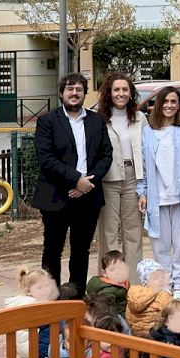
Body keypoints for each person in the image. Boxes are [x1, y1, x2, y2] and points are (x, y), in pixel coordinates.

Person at [32, 72, 113, 292]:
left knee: (81, 250)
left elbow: (106, 156)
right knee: (52, 250)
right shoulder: (47, 121)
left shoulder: (97, 121)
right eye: (70, 89)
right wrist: (76, 180)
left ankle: (76, 296)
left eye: (79, 89)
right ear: (62, 93)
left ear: (85, 94)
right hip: (56, 196)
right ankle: (50, 297)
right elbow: (46, 159)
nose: (74, 93)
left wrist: (86, 184)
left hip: (88, 197)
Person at [136, 86, 180, 296]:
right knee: (160, 246)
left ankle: (179, 285)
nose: (169, 105)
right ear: (159, 104)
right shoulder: (148, 132)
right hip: (157, 198)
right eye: (165, 101)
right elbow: (143, 165)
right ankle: (165, 285)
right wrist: (142, 192)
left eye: (173, 102)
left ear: (179, 106)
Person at [95, 72, 146, 268]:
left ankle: (133, 280)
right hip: (108, 178)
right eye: (116, 89)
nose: (121, 93)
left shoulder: (140, 118)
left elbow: (145, 150)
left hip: (133, 177)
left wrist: (144, 185)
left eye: (125, 89)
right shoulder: (99, 118)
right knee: (108, 231)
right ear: (109, 92)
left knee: (133, 231)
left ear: (131, 93)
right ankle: (108, 280)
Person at [126, 259, 173, 338]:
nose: (161, 280)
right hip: (157, 336)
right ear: (146, 281)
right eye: (156, 278)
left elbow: (129, 317)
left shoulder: (133, 293)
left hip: (135, 335)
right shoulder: (164, 295)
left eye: (162, 277)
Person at [85, 250, 129, 315]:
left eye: (120, 268)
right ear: (104, 273)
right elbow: (104, 310)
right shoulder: (108, 290)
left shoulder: (122, 283)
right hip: (114, 316)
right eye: (112, 270)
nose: (117, 272)